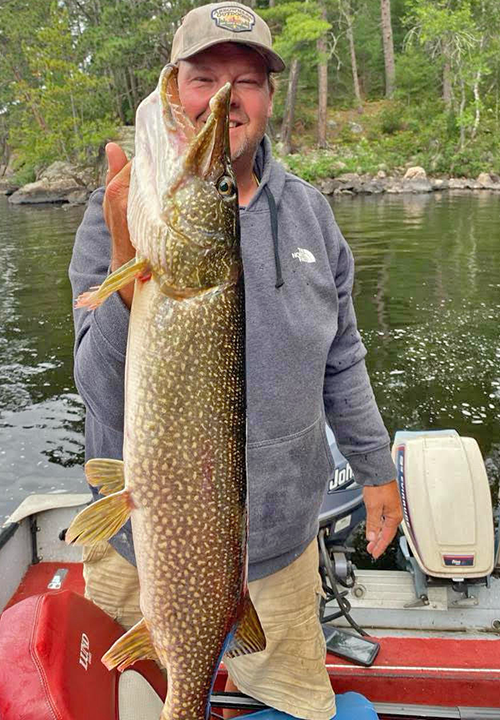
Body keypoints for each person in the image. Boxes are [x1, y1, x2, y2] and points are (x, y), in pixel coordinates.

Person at [69, 3, 403, 718]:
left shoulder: (310, 213)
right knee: (121, 696)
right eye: (203, 78)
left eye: (247, 80)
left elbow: (342, 354)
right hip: (143, 546)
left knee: (294, 703)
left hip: (280, 549)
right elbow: (98, 389)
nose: (225, 99)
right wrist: (129, 259)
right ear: (173, 86)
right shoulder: (118, 213)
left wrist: (376, 470)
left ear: (271, 97)